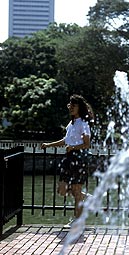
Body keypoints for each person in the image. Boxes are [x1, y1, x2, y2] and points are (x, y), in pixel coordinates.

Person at [41, 94, 94, 224]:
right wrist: (49, 145)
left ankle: (77, 221)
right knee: (62, 189)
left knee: (76, 191)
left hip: (79, 158)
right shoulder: (72, 123)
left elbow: (87, 144)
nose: (70, 107)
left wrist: (74, 148)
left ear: (79, 107)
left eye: (73, 105)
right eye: (70, 105)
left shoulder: (83, 123)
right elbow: (66, 140)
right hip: (69, 158)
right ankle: (84, 197)